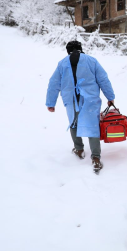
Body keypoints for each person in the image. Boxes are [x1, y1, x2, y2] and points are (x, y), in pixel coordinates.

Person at [46, 41, 115, 173]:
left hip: (71, 99)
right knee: (92, 125)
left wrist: (51, 102)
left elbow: (53, 83)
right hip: (90, 99)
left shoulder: (62, 63)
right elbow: (103, 79)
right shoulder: (91, 61)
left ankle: (79, 149)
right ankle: (96, 158)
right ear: (81, 49)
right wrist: (110, 97)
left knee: (73, 123)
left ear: (68, 51)